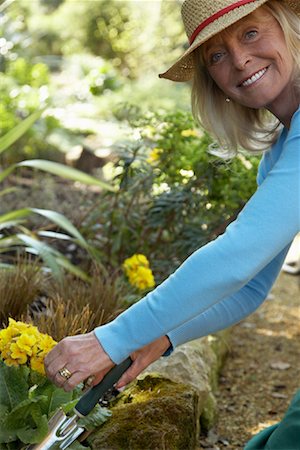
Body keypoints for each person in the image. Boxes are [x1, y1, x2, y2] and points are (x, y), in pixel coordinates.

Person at [45, 0, 300, 447]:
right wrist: (159, 338)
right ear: (212, 82)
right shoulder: (281, 152)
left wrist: (109, 339)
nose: (239, 59)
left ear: (289, 27)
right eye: (216, 55)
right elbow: (251, 288)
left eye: (251, 33)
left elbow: (237, 257)